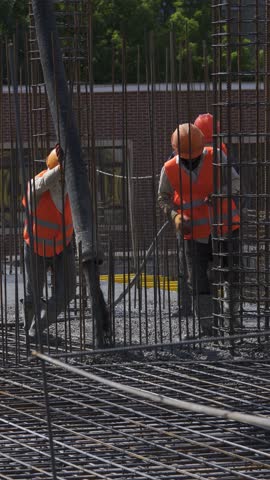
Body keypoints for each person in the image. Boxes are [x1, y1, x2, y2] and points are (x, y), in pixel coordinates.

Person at [158, 123, 241, 336]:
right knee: (197, 280)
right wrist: (174, 216)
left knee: (230, 275)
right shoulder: (169, 168)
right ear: (177, 151)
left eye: (194, 156)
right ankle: (207, 328)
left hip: (225, 228)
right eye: (187, 157)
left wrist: (221, 193)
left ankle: (231, 322)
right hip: (193, 233)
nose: (192, 160)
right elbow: (163, 198)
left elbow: (235, 181)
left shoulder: (216, 156)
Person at [21, 144, 76, 344]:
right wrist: (58, 171)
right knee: (33, 293)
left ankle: (38, 327)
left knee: (68, 292)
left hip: (63, 247)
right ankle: (29, 334)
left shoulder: (72, 185)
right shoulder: (36, 184)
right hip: (36, 248)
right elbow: (40, 184)